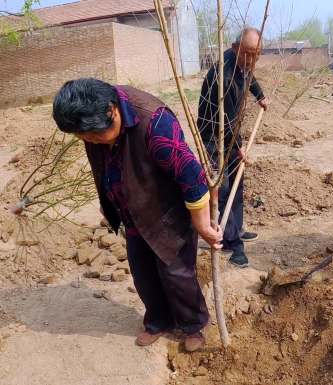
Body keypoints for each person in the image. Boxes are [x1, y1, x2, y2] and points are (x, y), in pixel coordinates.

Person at [52, 78, 223, 351]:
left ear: (112, 110)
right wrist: (107, 199)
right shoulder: (93, 121)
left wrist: (201, 223)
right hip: (132, 211)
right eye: (84, 138)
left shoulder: (154, 124)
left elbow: (192, 178)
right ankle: (158, 321)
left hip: (167, 213)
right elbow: (104, 163)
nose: (90, 141)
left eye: (94, 136)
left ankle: (192, 325)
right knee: (142, 272)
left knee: (176, 273)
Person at [197, 27, 270, 268]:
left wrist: (260, 95)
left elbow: (250, 77)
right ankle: (232, 244)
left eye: (257, 53)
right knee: (224, 187)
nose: (252, 59)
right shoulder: (224, 76)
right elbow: (225, 122)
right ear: (235, 47)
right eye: (248, 53)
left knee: (237, 184)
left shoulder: (244, 63)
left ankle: (235, 229)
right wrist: (239, 148)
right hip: (214, 136)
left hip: (229, 131)